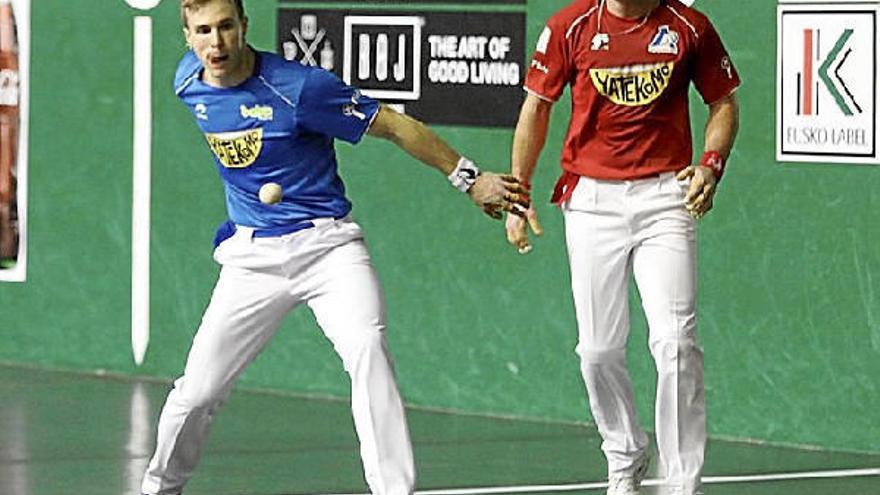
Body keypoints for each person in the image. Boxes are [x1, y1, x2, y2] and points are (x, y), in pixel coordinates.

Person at [140, 1, 529, 494]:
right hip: (252, 260)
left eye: (225, 27)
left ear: (244, 27)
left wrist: (468, 179)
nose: (215, 43)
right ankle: (159, 487)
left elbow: (393, 124)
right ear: (187, 36)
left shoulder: (299, 88)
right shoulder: (187, 82)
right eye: (202, 31)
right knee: (196, 392)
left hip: (328, 250)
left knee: (368, 349)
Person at [506, 0, 739, 494]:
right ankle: (624, 449)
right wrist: (517, 194)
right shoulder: (570, 26)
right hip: (591, 201)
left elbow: (723, 103)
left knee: (675, 343)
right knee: (597, 350)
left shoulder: (688, 26)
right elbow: (537, 107)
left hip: (666, 199)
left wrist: (711, 165)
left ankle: (681, 482)